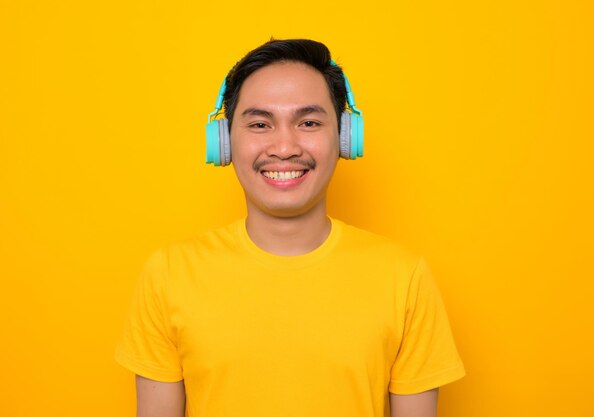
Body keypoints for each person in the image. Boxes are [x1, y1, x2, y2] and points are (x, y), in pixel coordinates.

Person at [116, 38, 465, 417]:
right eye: (261, 124)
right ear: (225, 141)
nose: (284, 147)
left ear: (346, 138)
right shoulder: (168, 274)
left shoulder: (404, 277)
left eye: (309, 122)